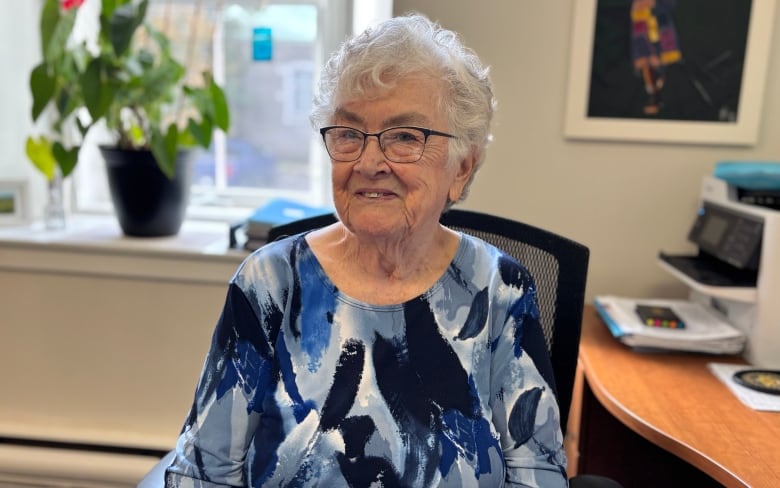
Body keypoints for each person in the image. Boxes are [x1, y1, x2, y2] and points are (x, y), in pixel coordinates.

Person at [165, 12, 568, 487]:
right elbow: (203, 471)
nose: (369, 162)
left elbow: (538, 472)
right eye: (350, 134)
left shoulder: (500, 289)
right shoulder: (270, 284)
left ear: (462, 167)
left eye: (404, 137)